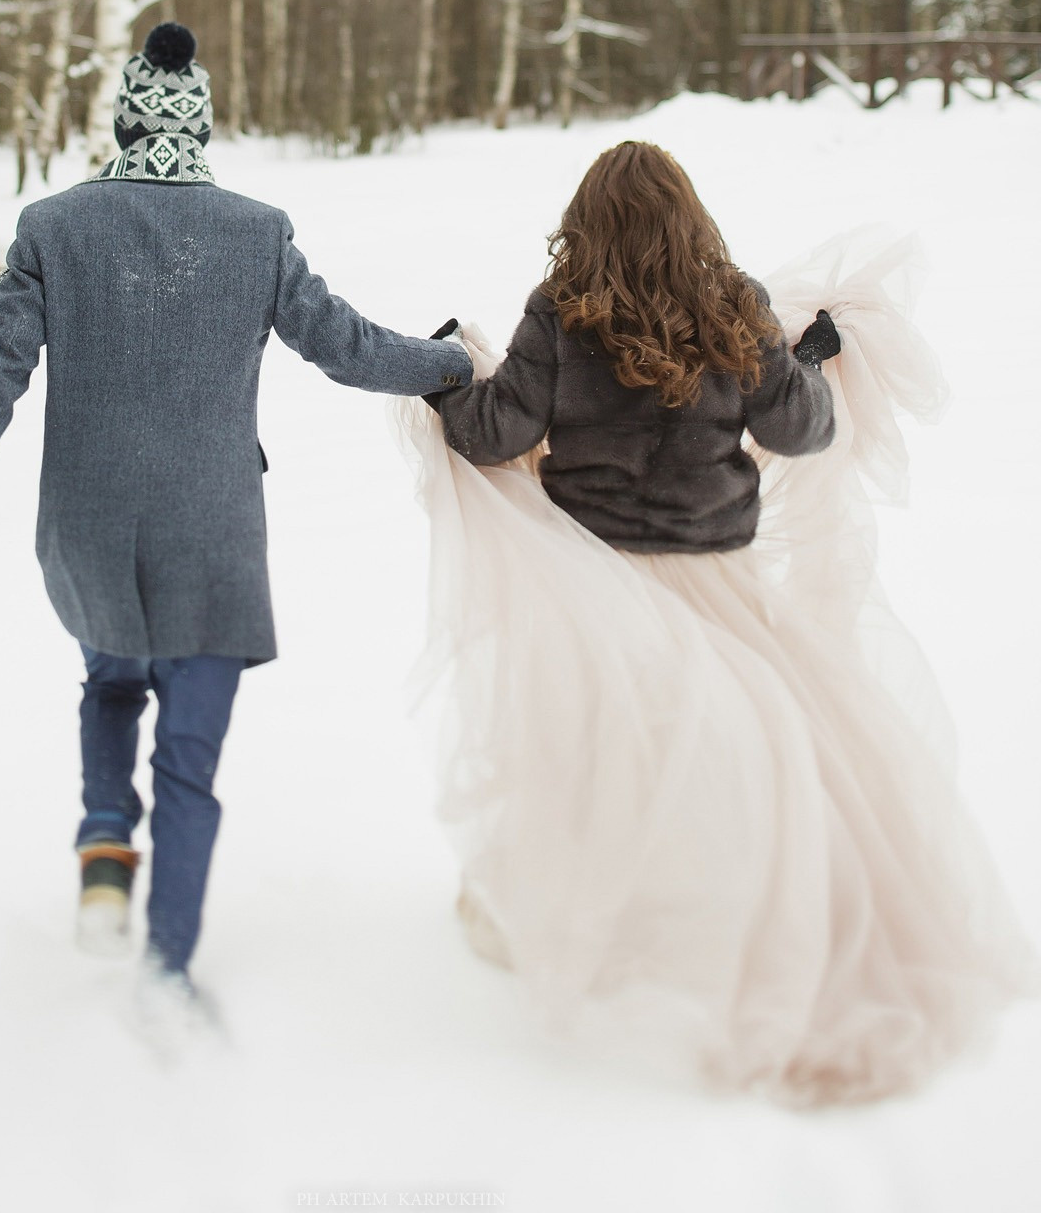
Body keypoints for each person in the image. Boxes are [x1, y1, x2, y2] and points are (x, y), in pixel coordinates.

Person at [396, 141, 1032, 1105]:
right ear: (689, 216)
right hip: (716, 574)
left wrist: (450, 380)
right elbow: (800, 430)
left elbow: (497, 434)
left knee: (599, 748)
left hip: (597, 577)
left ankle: (603, 915)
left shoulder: (561, 313)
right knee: (760, 751)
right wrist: (806, 366)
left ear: (588, 220)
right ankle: (748, 920)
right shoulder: (733, 305)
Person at [0, 23, 471, 1015]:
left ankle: (105, 843)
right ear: (202, 127)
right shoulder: (256, 231)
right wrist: (451, 366)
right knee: (188, 763)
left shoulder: (54, 228)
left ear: (120, 120)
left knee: (110, 684)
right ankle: (167, 968)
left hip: (87, 525)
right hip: (213, 534)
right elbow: (352, 350)